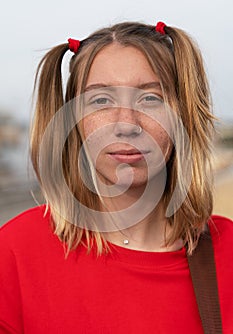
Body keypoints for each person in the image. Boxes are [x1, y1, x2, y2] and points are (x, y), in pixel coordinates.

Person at [0, 21, 232, 333]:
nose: (126, 123)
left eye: (150, 98)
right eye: (101, 100)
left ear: (183, 115)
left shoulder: (226, 252)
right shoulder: (15, 253)